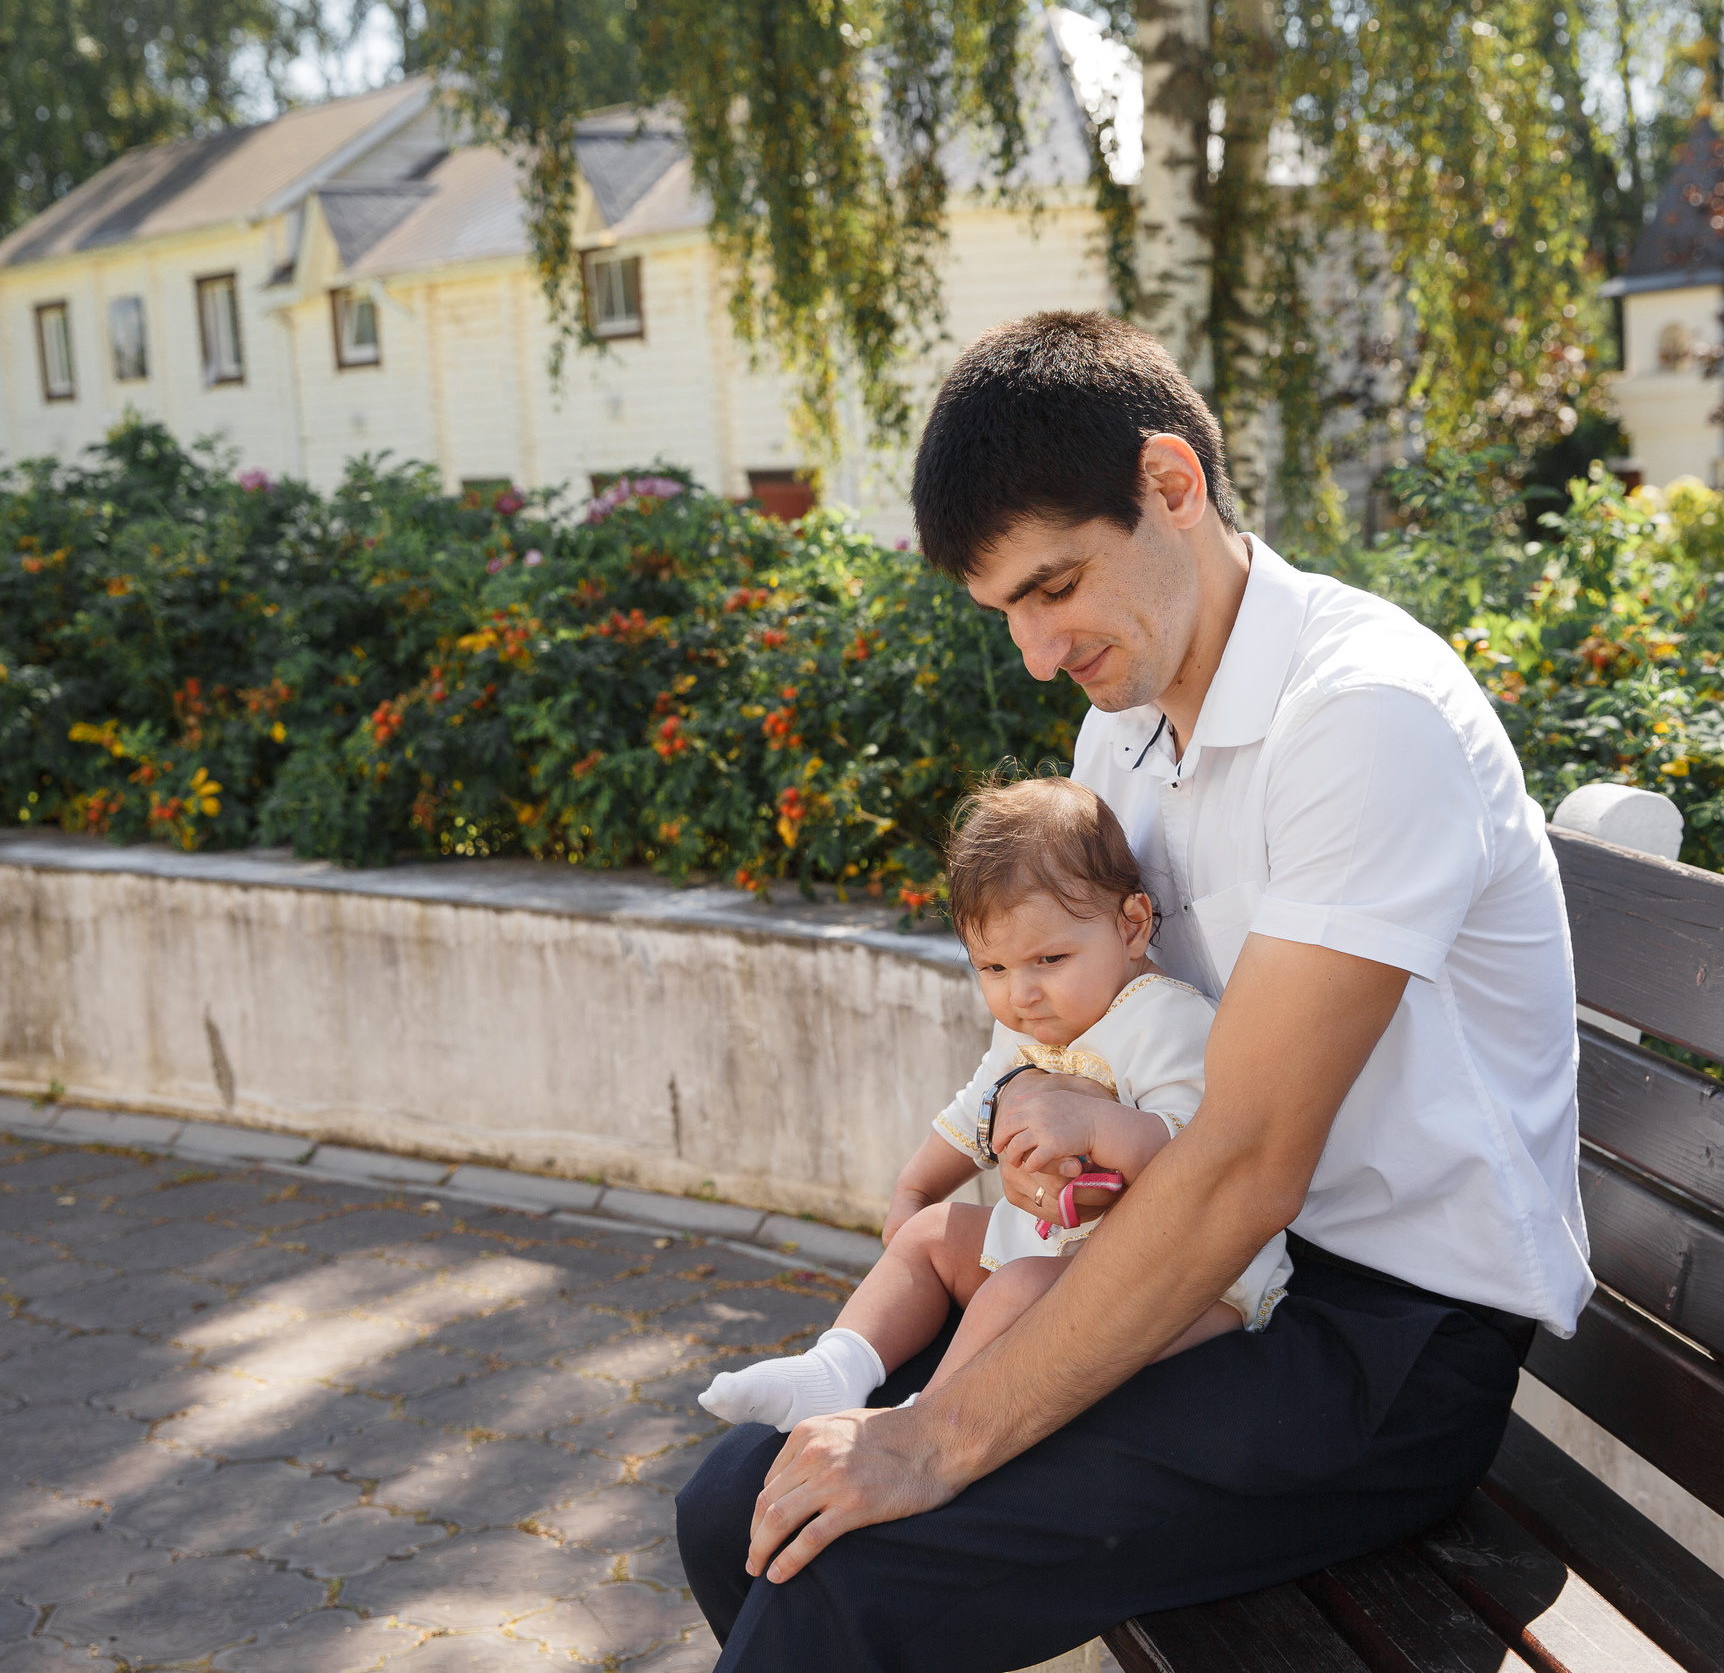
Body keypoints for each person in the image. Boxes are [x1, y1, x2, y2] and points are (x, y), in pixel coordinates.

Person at [677, 310, 1594, 1672]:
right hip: (1206, 1271)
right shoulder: (1128, 721)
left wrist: (933, 1436)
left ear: (1172, 483)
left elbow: (1245, 1165)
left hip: (1384, 1344)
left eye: (1055, 588)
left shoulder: (1360, 712)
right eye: (1008, 613)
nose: (1039, 652)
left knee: (840, 1574)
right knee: (738, 1501)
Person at [695, 777, 1290, 1433]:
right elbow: (971, 1112)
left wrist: (1097, 1123)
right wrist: (914, 1191)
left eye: (1048, 958)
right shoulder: (1030, 1025)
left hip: (1185, 1284)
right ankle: (832, 1371)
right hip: (1056, 1253)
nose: (1022, 993)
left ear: (1133, 924)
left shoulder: (1166, 1019)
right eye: (994, 969)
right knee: (930, 1236)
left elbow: (1205, 1160)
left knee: (1015, 1291)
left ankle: (926, 1423)